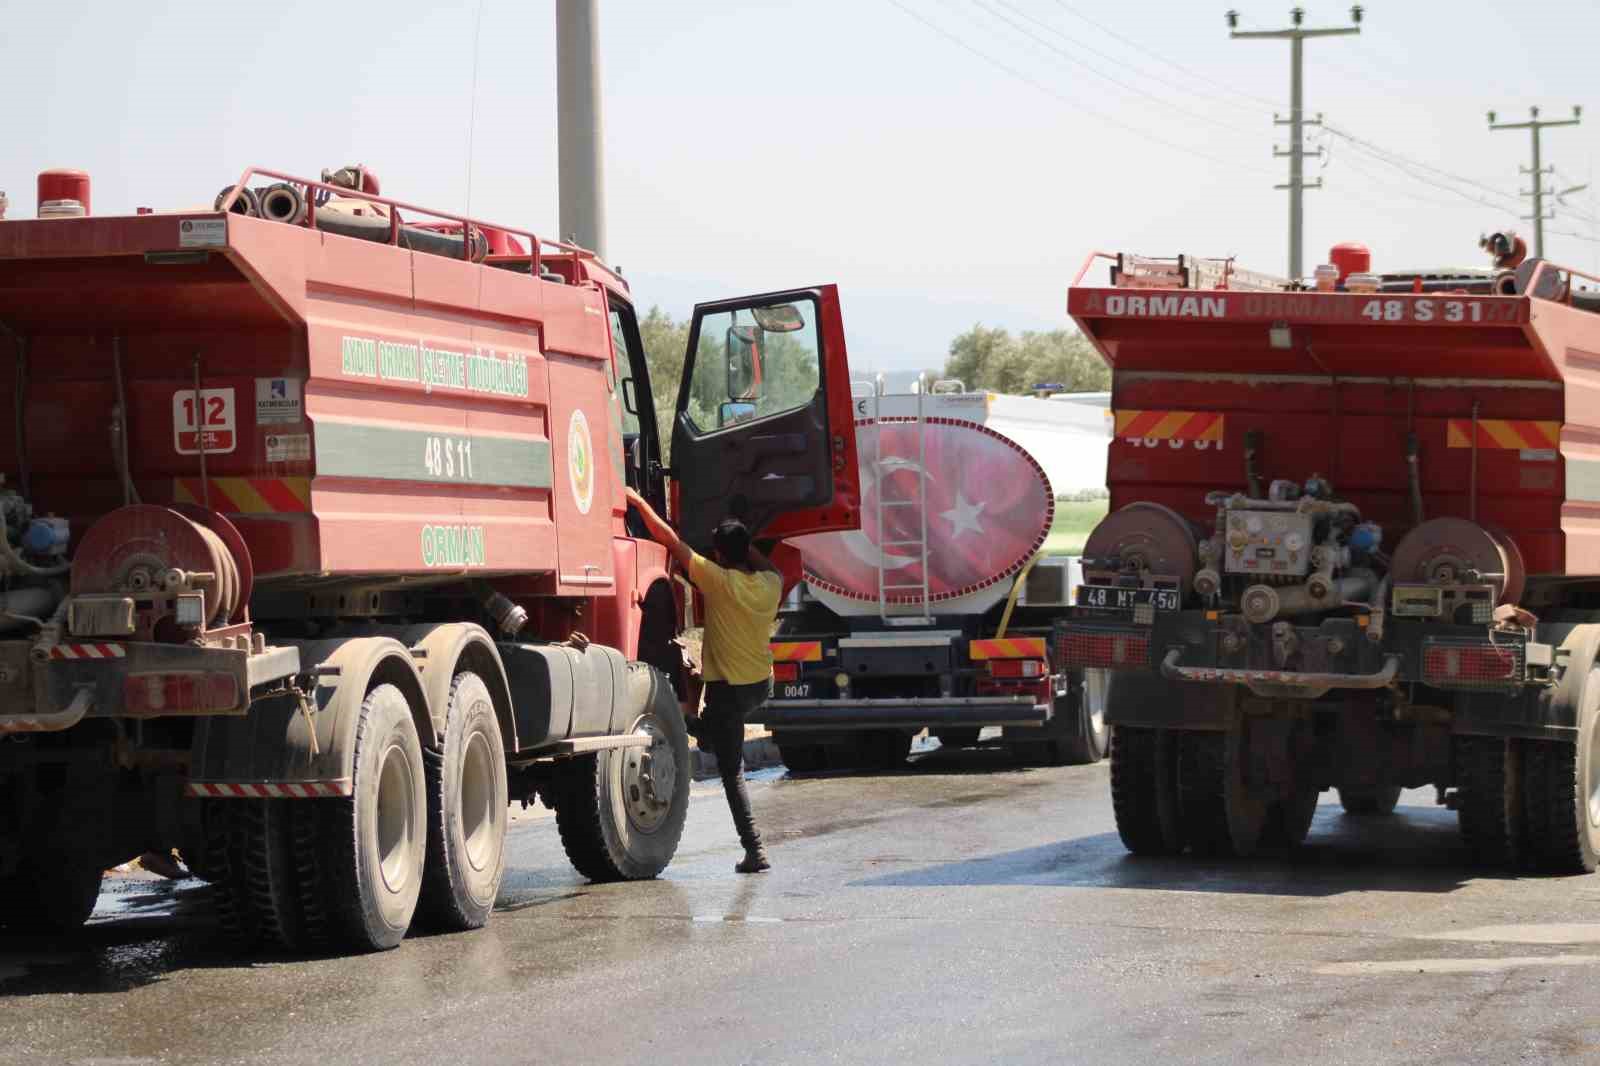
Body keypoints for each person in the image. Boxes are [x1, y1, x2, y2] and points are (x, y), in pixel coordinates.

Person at [624, 487, 779, 874]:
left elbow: (671, 542)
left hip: (729, 693)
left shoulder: (719, 582)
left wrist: (638, 502)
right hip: (760, 686)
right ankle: (701, 715)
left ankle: (755, 850)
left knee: (730, 769)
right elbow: (763, 563)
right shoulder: (769, 585)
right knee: (712, 723)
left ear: (720, 555)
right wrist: (744, 542)